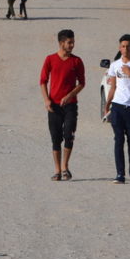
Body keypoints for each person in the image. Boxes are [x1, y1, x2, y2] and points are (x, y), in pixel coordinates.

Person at [40, 29, 85, 181]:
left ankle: (65, 166)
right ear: (61, 43)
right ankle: (57, 170)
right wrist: (46, 100)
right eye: (69, 42)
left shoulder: (77, 61)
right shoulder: (50, 59)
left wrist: (70, 95)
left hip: (70, 105)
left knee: (69, 136)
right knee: (55, 138)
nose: (72, 45)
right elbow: (43, 81)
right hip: (54, 106)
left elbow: (82, 83)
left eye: (73, 42)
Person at [103, 34, 130, 184]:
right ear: (119, 48)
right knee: (118, 140)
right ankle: (120, 174)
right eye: (123, 46)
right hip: (117, 107)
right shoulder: (114, 65)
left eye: (128, 46)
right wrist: (107, 104)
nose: (125, 49)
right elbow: (113, 87)